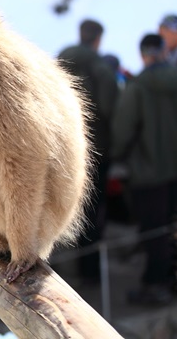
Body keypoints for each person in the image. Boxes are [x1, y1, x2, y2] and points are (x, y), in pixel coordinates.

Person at [111, 33, 177, 305]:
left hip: (152, 175)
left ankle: (156, 285)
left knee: (157, 231)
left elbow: (122, 131)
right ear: (163, 52)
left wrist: (118, 158)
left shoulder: (137, 88)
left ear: (143, 55)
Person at [57, 18, 119, 282]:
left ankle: (70, 265)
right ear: (97, 39)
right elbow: (110, 107)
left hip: (67, 145)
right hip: (97, 148)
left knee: (72, 202)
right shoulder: (101, 67)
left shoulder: (61, 60)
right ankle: (90, 272)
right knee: (95, 209)